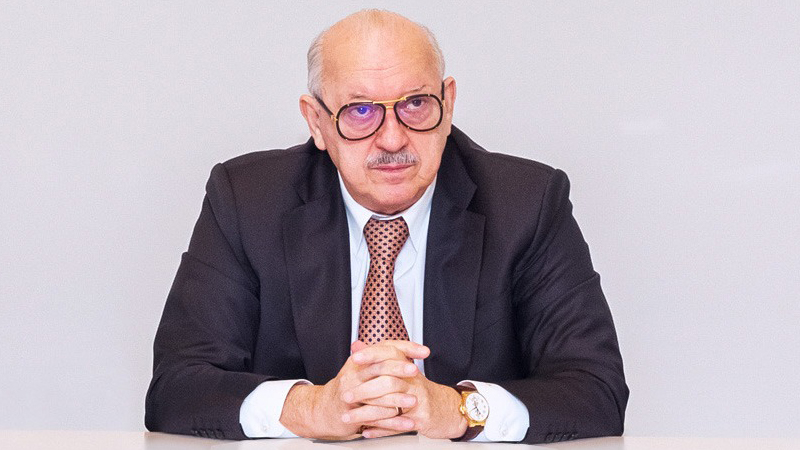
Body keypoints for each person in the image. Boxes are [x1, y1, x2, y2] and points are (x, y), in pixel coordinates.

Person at [145, 9, 628, 444]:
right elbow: (176, 386)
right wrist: (310, 409)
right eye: (360, 111)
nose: (393, 138)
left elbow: (596, 389)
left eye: (416, 104)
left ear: (448, 104)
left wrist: (459, 410)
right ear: (316, 122)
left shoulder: (527, 203)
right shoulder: (248, 201)